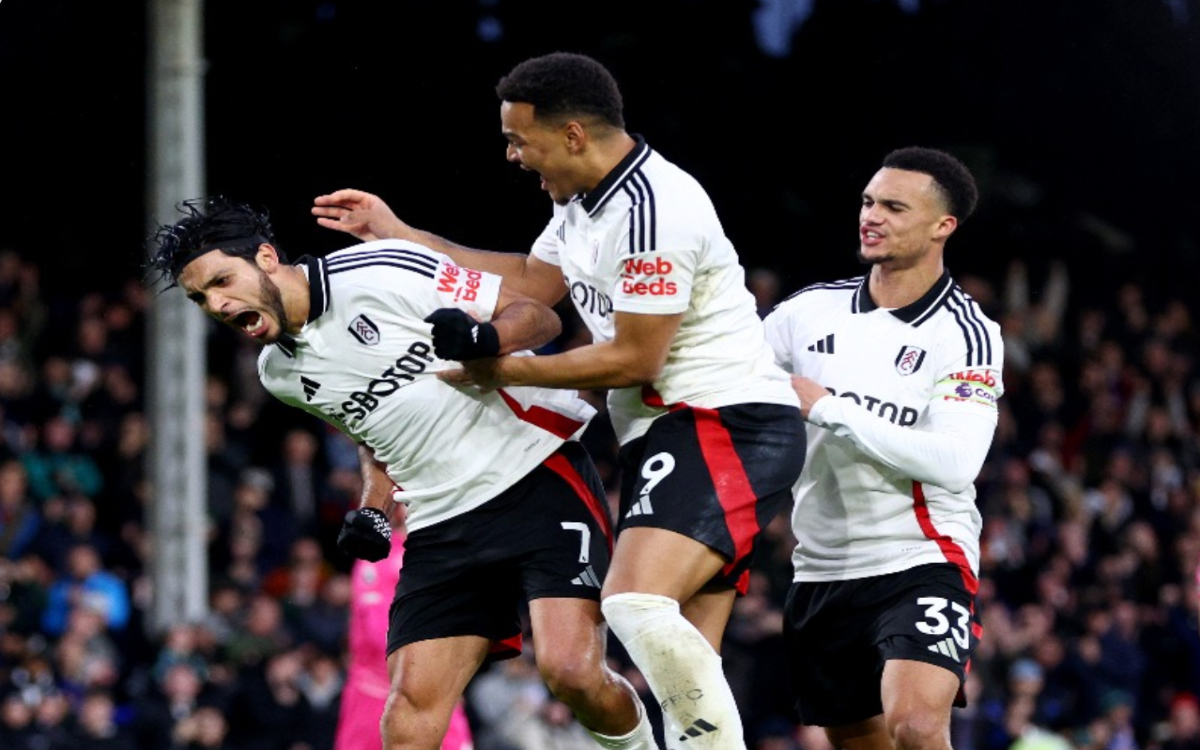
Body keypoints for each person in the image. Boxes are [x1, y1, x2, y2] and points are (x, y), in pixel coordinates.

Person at [312, 50, 805, 750]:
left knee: (632, 603)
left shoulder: (651, 209)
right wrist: (404, 237)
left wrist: (501, 372)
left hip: (722, 421)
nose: (513, 155)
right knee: (684, 664)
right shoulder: (582, 206)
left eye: (520, 138)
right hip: (665, 435)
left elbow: (637, 357)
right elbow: (531, 282)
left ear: (573, 134)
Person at [147, 196, 658, 750]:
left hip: (534, 471)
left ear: (266, 257)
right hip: (440, 519)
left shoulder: (380, 268)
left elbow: (538, 315)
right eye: (202, 298)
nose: (218, 304)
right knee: (407, 718)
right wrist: (373, 505)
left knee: (571, 672)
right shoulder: (279, 374)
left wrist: (486, 339)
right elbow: (375, 439)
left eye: (222, 280)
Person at [762, 147, 1004, 750]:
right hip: (820, 567)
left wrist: (829, 408)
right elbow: (720, 381)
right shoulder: (806, 312)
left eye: (895, 207)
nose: (872, 216)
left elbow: (955, 462)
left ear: (942, 226)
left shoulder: (965, 334)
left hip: (920, 555)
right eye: (869, 202)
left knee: (918, 728)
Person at [335, 501, 473, 750]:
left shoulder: (445, 556)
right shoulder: (377, 553)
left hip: (431, 688)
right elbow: (379, 633)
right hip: (375, 692)